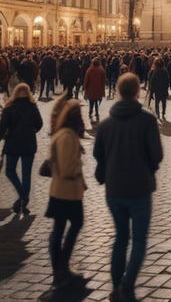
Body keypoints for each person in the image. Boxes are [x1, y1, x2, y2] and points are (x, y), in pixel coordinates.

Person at [94, 73, 163, 302]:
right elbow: (157, 155)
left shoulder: (105, 124)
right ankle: (126, 284)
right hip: (140, 188)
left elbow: (98, 155)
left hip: (114, 189)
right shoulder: (147, 120)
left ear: (117, 91)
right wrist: (148, 169)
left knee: (120, 238)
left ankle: (116, 286)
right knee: (139, 240)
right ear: (138, 91)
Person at [46, 99, 87, 289]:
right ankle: (60, 267)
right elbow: (66, 168)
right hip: (66, 190)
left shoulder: (64, 133)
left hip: (64, 190)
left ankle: (61, 269)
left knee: (60, 228)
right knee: (71, 225)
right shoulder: (67, 136)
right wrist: (78, 170)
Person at [0, 82, 43, 214]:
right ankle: (24, 200)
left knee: (10, 171)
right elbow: (39, 124)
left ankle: (22, 196)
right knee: (26, 174)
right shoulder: (32, 107)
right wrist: (31, 132)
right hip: (29, 144)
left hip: (13, 145)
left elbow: (2, 129)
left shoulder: (9, 108)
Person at [84, 57, 106, 122]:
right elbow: (103, 81)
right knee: (97, 102)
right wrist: (103, 90)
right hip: (99, 89)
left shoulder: (89, 70)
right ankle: (96, 112)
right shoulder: (102, 70)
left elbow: (86, 80)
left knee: (91, 102)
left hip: (90, 89)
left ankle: (90, 112)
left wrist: (85, 87)